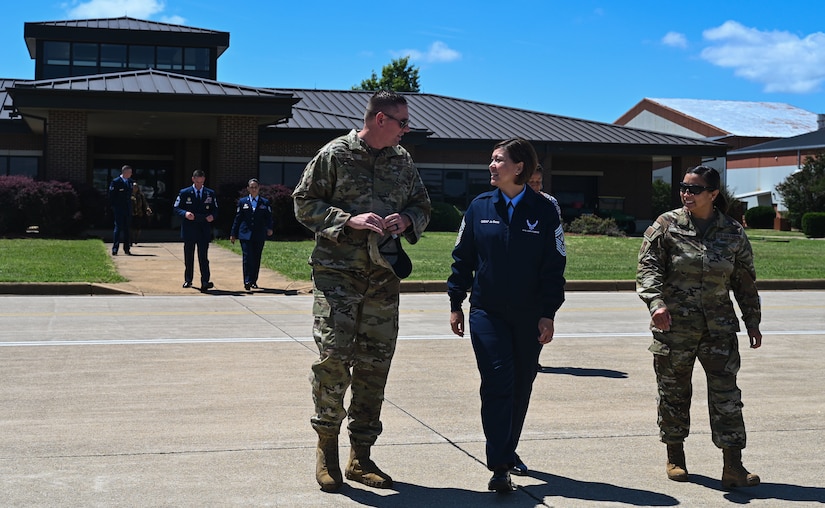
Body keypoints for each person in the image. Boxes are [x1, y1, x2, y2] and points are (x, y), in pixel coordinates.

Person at [292, 90, 431, 493]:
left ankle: (361, 456)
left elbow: (423, 205)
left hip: (383, 280)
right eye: (402, 123)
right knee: (334, 361)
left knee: (375, 365)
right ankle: (327, 452)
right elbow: (303, 203)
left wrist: (407, 220)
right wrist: (347, 219)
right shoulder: (335, 155)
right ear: (381, 120)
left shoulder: (402, 162)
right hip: (339, 278)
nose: (407, 129)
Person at [448, 138, 566, 493]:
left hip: (530, 315)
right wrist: (456, 302)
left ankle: (508, 450)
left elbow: (554, 265)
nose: (492, 166)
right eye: (492, 160)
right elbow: (462, 257)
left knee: (521, 384)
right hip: (487, 310)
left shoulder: (545, 211)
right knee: (498, 380)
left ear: (519, 168)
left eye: (499, 160)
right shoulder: (478, 206)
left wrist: (548, 313)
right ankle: (499, 465)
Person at [636, 165, 762, 489]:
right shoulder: (665, 226)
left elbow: (745, 281)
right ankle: (675, 456)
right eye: (684, 187)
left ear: (713, 194)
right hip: (674, 327)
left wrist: (753, 322)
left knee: (727, 396)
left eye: (694, 189)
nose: (686, 194)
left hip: (719, 329)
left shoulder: (733, 231)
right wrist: (656, 303)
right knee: (674, 393)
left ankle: (733, 465)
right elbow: (648, 269)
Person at [528, 164, 563, 374]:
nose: (535, 186)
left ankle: (534, 356)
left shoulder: (550, 203)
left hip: (544, 267)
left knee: (541, 315)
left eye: (538, 182)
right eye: (531, 182)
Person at [173, 170, 218, 291]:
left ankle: (205, 280)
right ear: (193, 179)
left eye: (201, 182)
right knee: (189, 255)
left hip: (203, 228)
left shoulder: (210, 193)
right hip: (189, 228)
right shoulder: (184, 192)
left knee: (203, 256)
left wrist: (212, 216)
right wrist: (185, 213)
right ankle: (188, 279)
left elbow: (215, 210)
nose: (199, 184)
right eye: (197, 182)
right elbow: (176, 208)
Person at [230, 178, 273, 290]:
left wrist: (269, 228)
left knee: (256, 257)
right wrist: (233, 233)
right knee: (247, 257)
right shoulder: (243, 202)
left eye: (255, 187)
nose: (253, 189)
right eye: (251, 187)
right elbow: (238, 219)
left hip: (258, 234)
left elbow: (268, 218)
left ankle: (254, 280)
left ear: (258, 189)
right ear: (248, 189)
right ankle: (247, 281)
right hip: (245, 234)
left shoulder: (264, 203)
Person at [108, 165, 134, 255]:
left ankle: (127, 249)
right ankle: (115, 249)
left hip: (127, 209)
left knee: (127, 229)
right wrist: (113, 207)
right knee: (118, 228)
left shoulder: (130, 182)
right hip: (118, 208)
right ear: (124, 172)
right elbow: (111, 196)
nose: (131, 174)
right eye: (129, 172)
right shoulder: (116, 182)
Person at [130, 182, 152, 246]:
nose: (135, 188)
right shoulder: (129, 194)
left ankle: (136, 238)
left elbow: (144, 203)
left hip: (139, 213)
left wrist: (147, 208)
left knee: (138, 228)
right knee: (130, 227)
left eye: (136, 187)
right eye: (134, 187)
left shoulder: (140, 195)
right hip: (131, 213)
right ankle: (130, 240)